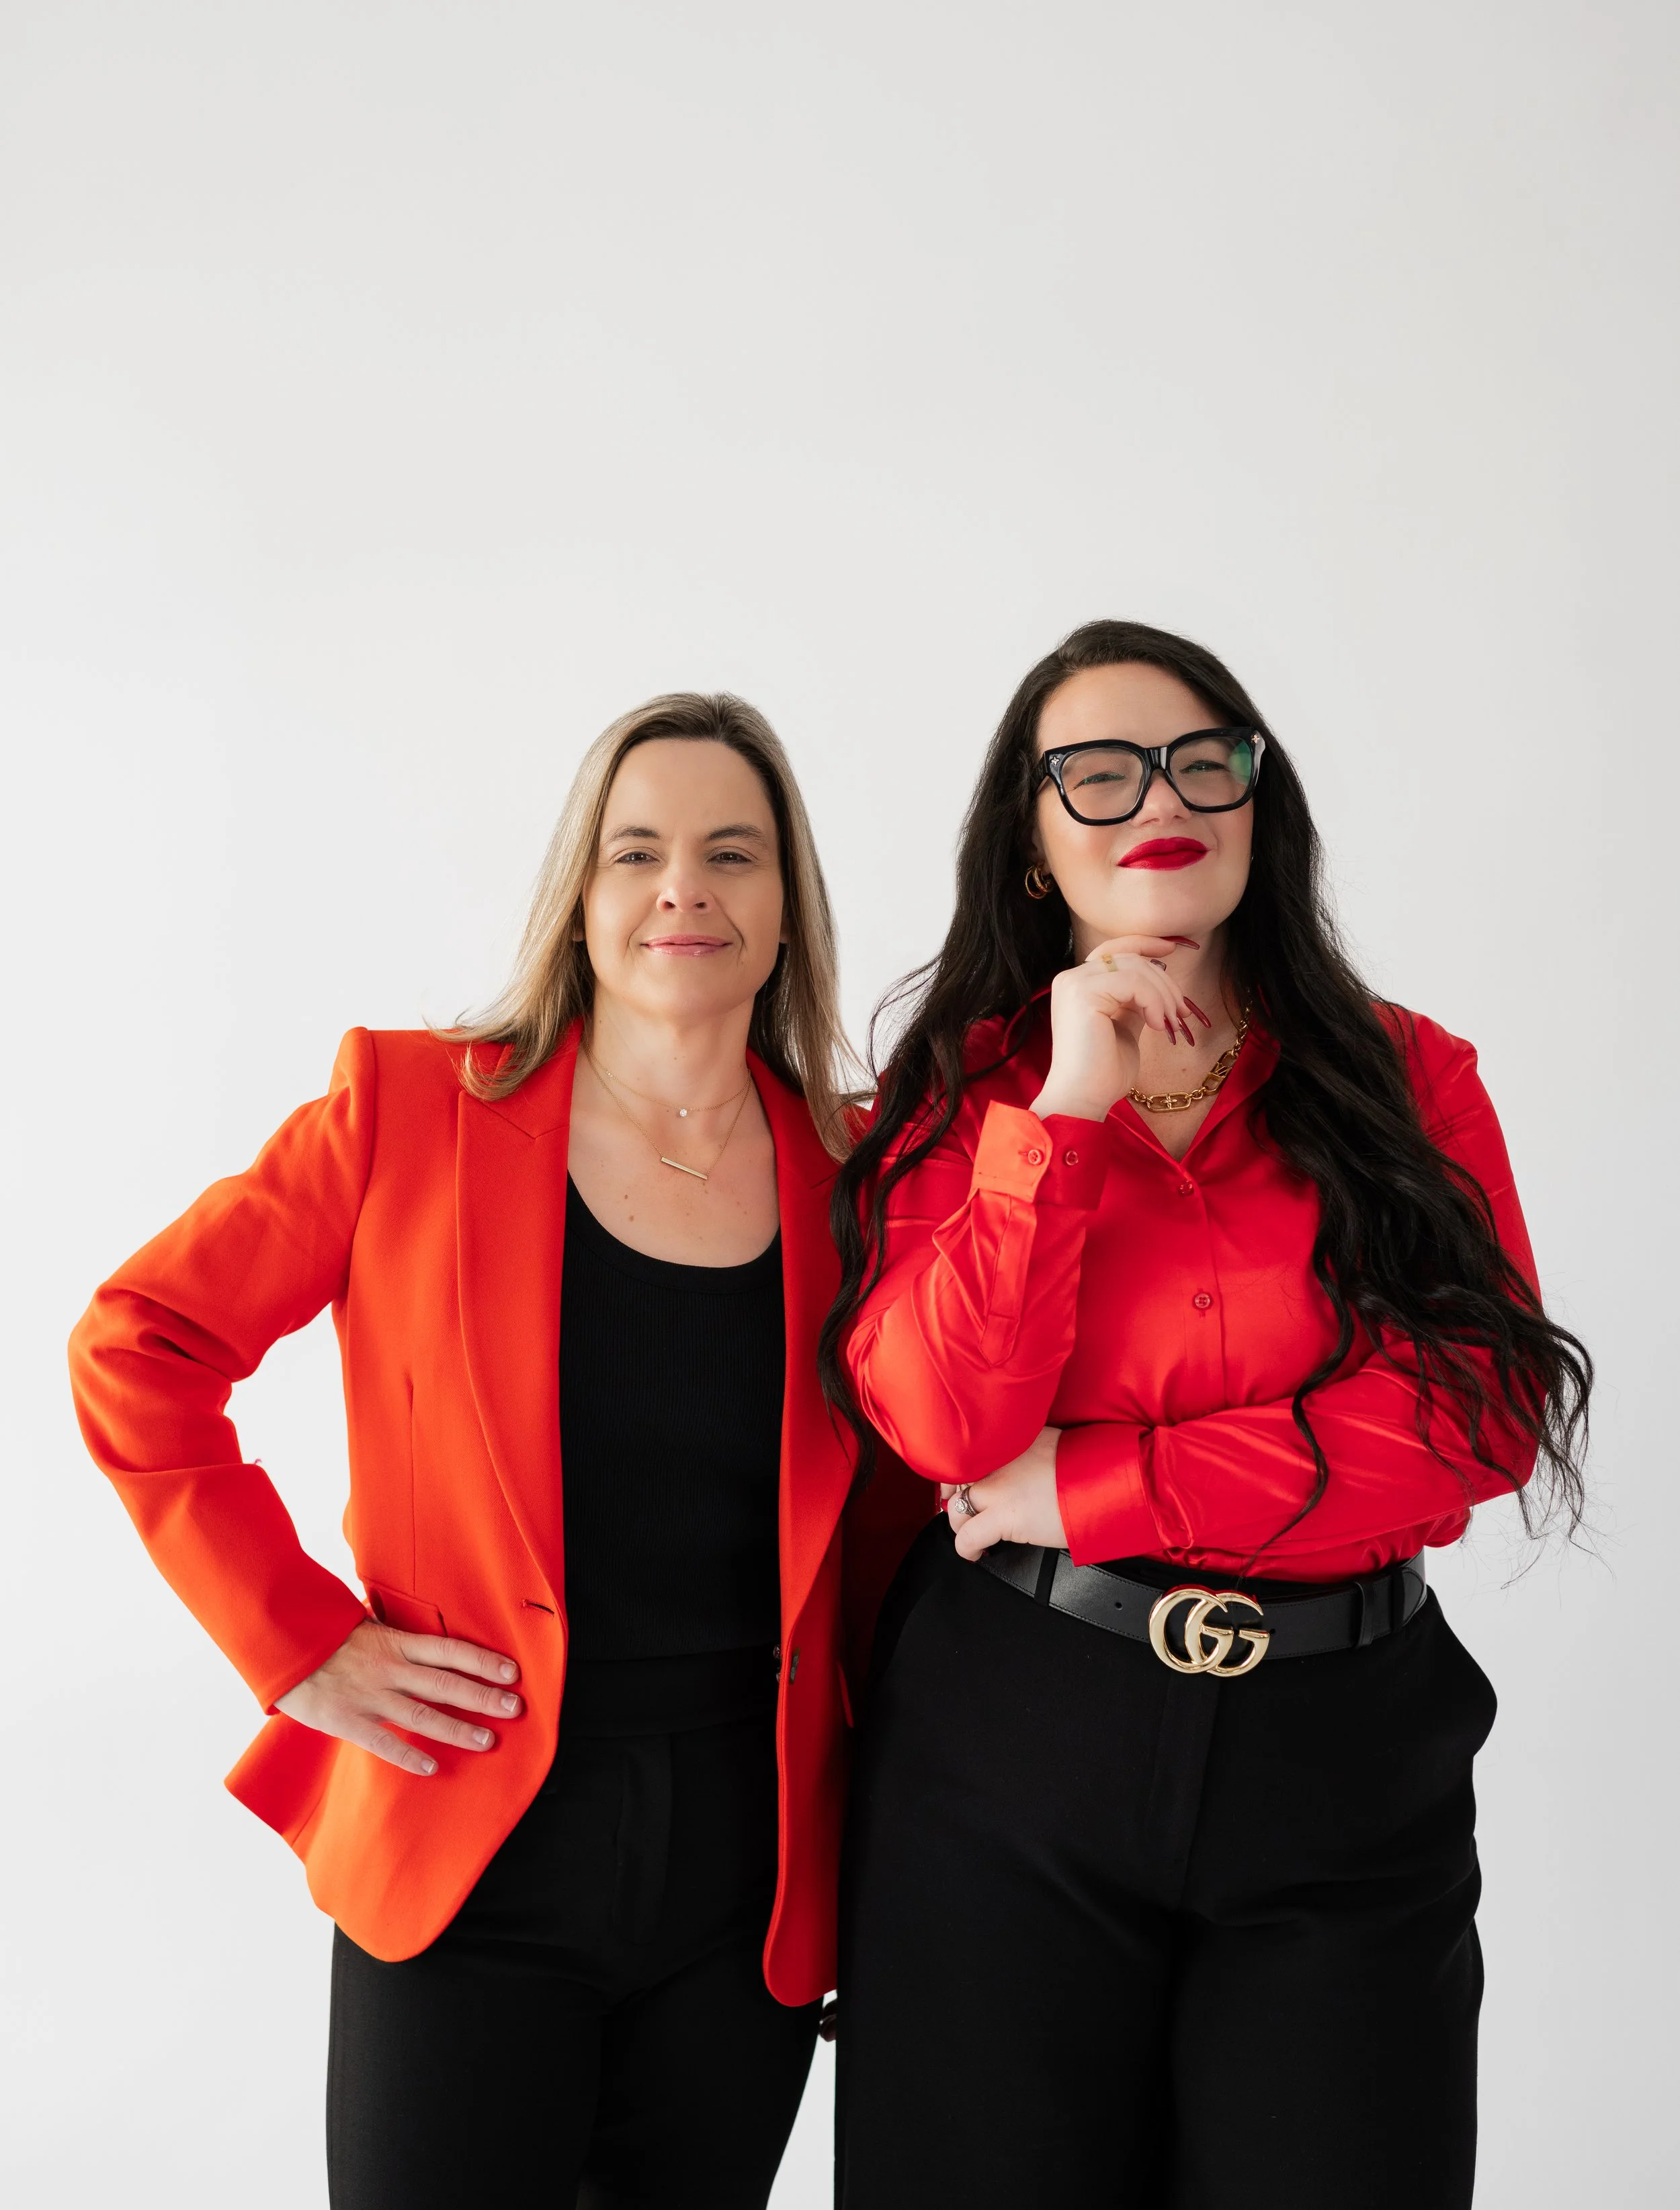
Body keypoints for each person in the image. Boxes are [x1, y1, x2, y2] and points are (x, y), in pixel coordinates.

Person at [69, 693, 923, 2210]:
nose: (684, 889)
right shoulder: (405, 1109)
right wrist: (301, 1639)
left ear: (786, 907)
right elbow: (139, 1348)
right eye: (636, 851)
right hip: (470, 1837)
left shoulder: (861, 1175)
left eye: (733, 853)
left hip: (748, 1879)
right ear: (577, 899)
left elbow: (886, 1540)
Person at [820, 620, 1591, 2209]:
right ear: (1029, 849)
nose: (1155, 797)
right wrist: (1071, 1107)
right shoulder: (971, 1103)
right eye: (1093, 774)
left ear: (1257, 796)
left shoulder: (1404, 1076)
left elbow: (1479, 1414)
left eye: (1198, 757)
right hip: (1004, 1754)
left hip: (1343, 1763)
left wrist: (1095, 1487)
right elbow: (947, 1428)